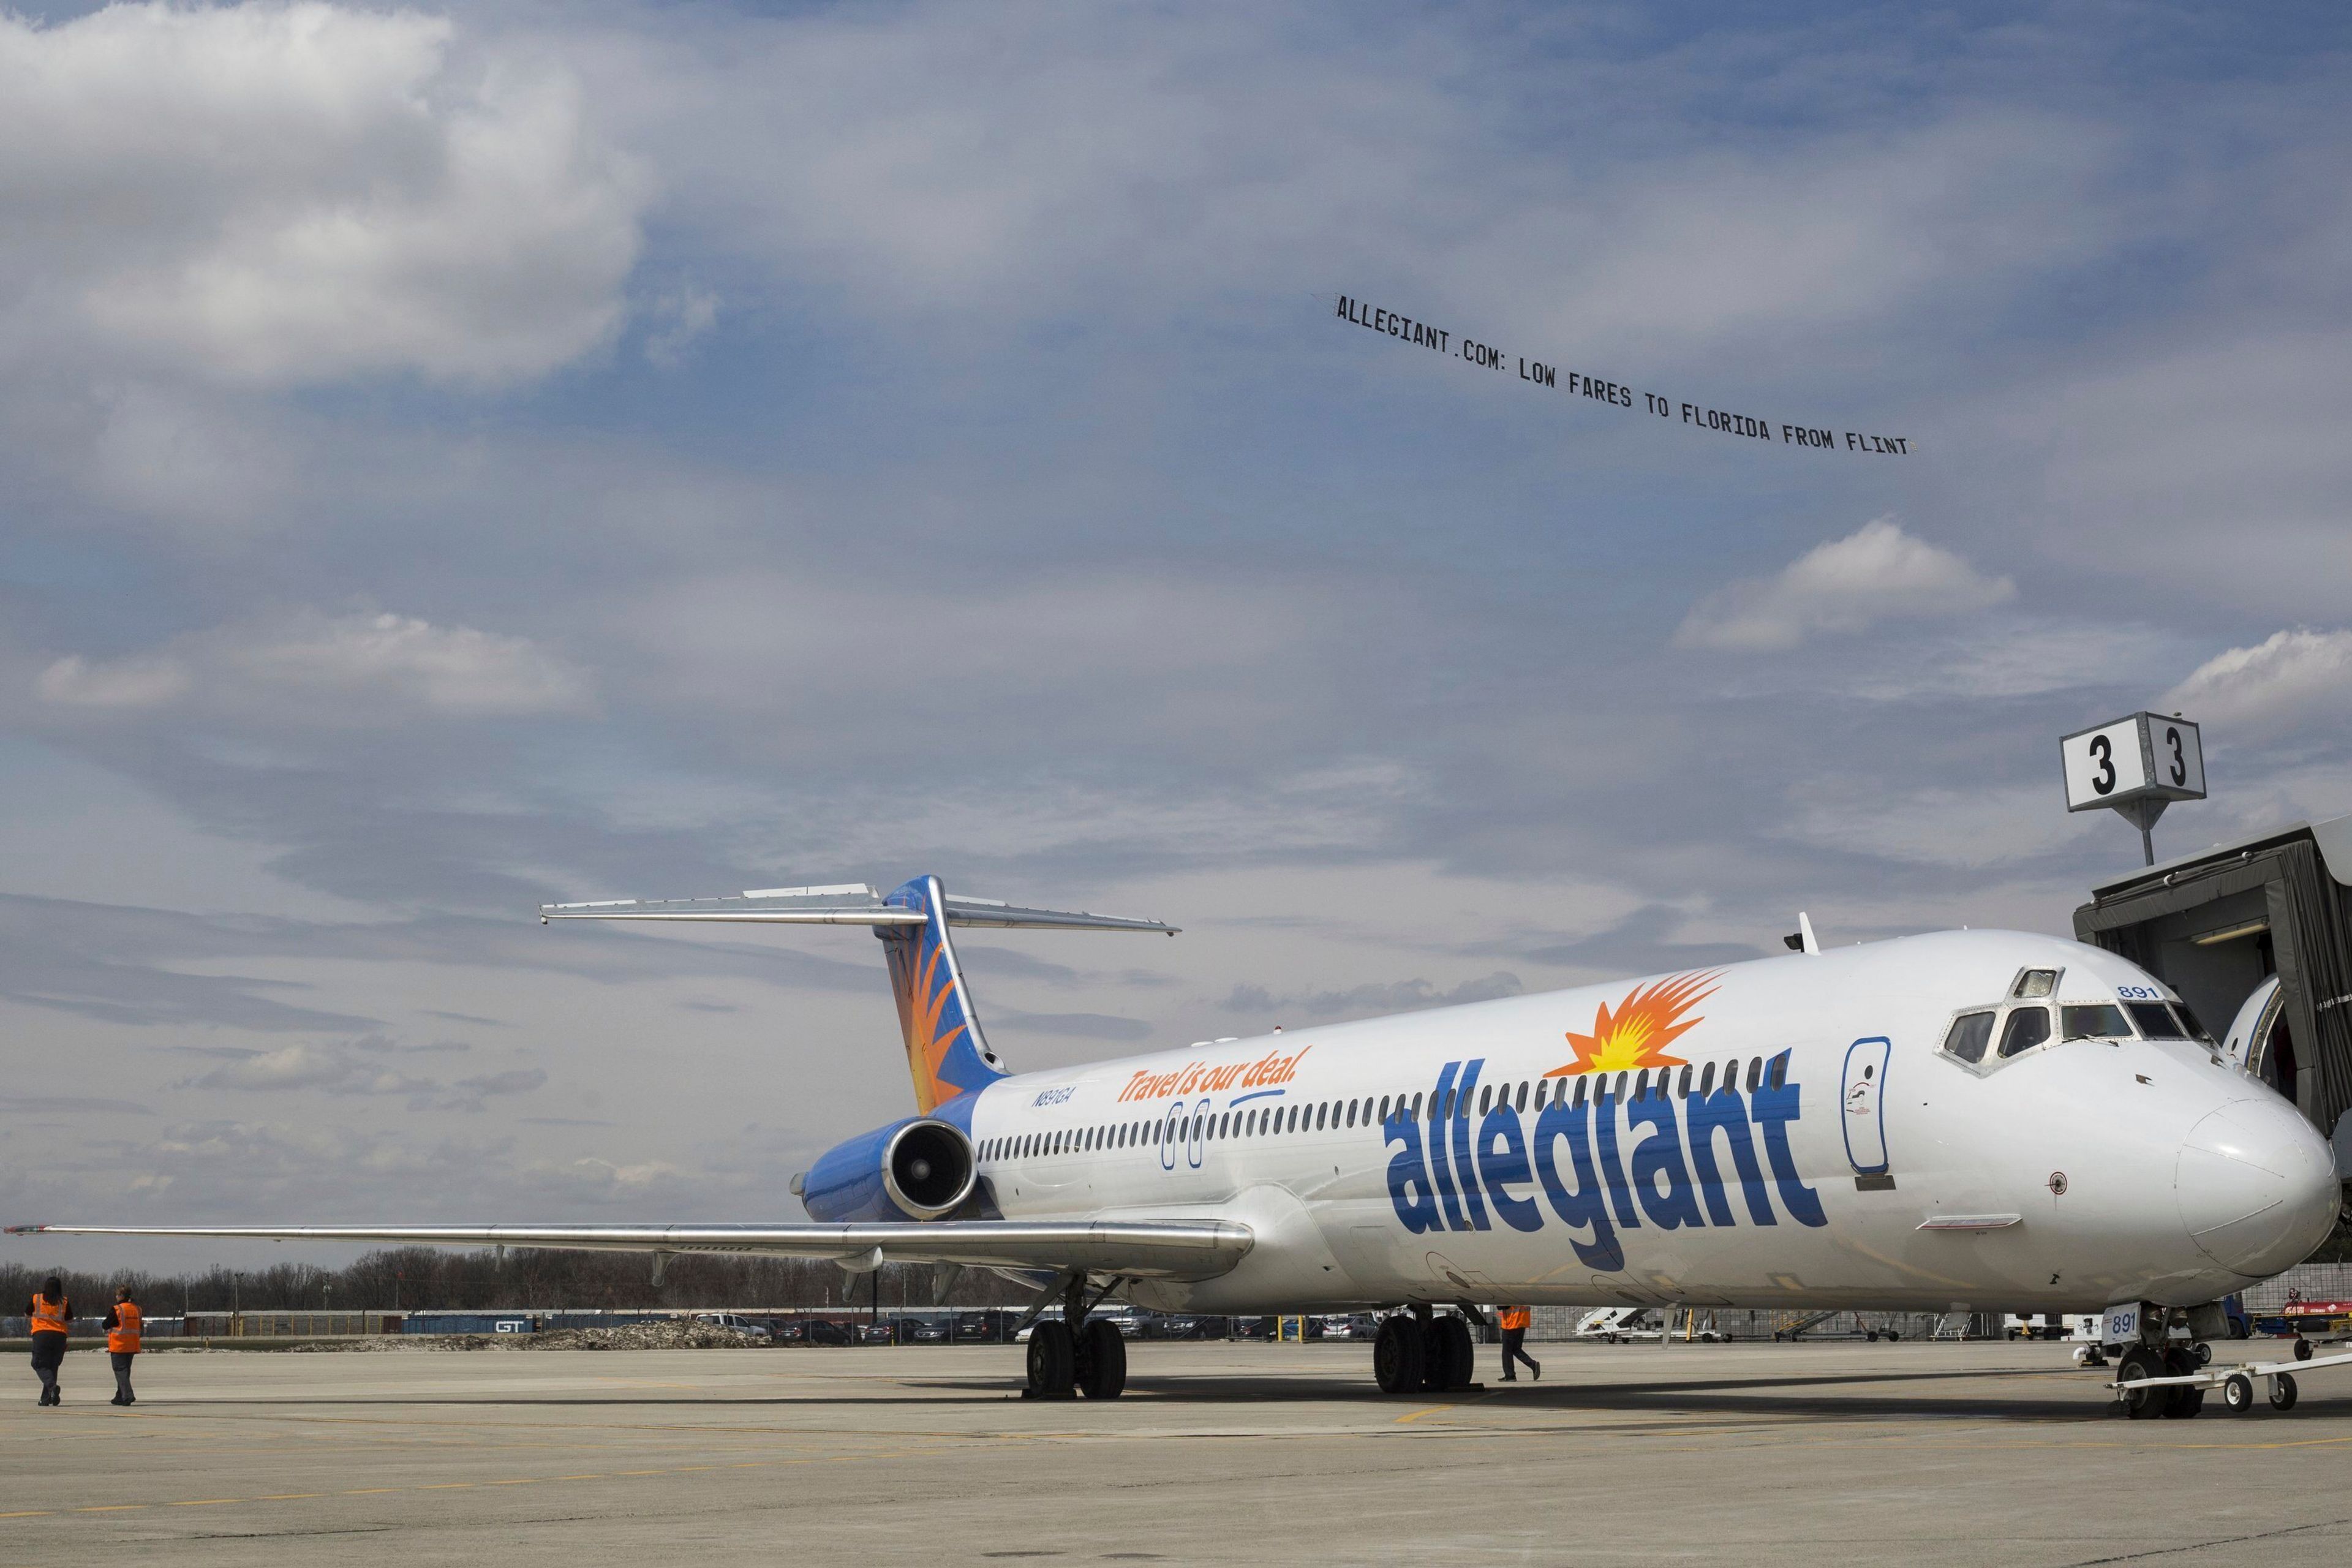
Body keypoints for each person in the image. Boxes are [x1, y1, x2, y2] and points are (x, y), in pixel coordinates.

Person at [27, 1276, 70, 1406]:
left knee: (38, 1364)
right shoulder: (64, 1301)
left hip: (42, 1335)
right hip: (60, 1336)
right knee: (53, 1366)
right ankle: (47, 1398)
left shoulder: (37, 1298)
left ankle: (52, 1387)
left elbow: (27, 1313)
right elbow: (70, 1318)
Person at [103, 1287, 143, 1406]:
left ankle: (128, 1395)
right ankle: (119, 1396)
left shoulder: (117, 1309)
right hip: (132, 1344)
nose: (116, 1297)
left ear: (121, 1296)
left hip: (119, 1345)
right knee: (126, 1371)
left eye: (117, 1295)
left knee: (120, 1371)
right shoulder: (138, 1309)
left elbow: (105, 1324)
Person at [1498, 1303, 1540, 1382]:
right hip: (1522, 1323)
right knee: (1516, 1349)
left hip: (1511, 1324)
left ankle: (1510, 1375)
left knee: (1507, 1351)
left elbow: (1502, 1306)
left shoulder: (1508, 1292)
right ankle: (1533, 1365)